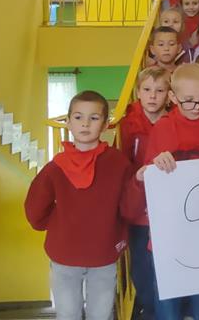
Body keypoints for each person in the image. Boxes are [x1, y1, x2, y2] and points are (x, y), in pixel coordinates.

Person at [25, 91, 143, 320]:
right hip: (65, 257)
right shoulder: (56, 167)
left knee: (97, 314)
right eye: (78, 117)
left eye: (94, 118)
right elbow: (35, 208)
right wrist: (58, 225)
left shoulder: (119, 163)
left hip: (103, 256)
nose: (85, 124)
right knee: (70, 314)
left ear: (105, 124)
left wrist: (138, 183)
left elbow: (129, 209)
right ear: (68, 122)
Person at [138, 63, 199, 320]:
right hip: (168, 233)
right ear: (173, 97)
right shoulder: (162, 128)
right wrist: (155, 164)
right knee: (168, 307)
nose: (197, 106)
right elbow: (147, 178)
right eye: (188, 100)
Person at [119, 69, 170, 320]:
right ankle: (149, 310)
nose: (153, 96)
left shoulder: (172, 123)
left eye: (159, 91)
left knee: (165, 267)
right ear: (138, 92)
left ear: (169, 95)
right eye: (147, 90)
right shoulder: (128, 125)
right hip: (139, 210)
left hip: (166, 210)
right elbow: (125, 166)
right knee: (141, 267)